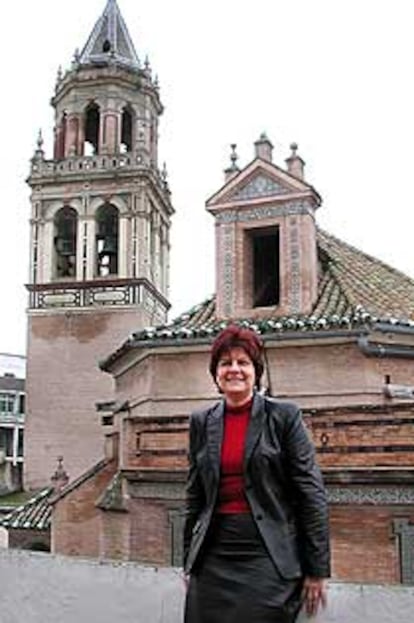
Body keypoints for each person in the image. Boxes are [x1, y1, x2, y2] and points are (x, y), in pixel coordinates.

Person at [183, 324, 330, 623]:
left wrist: (317, 569)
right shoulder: (201, 422)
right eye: (225, 363)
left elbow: (311, 493)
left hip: (268, 555)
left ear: (255, 371)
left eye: (243, 362)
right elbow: (194, 494)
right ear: (216, 373)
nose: (234, 369)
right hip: (213, 554)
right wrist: (188, 559)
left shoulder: (284, 417)